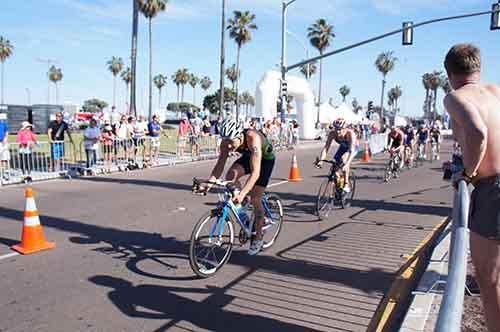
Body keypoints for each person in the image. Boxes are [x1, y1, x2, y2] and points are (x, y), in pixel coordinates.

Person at [443, 43, 500, 332]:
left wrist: (469, 171)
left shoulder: (454, 97)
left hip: (493, 190)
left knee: (489, 284)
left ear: (449, 73)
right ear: (478, 69)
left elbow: (477, 130)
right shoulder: (496, 92)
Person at [195, 118, 276, 255]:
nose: (230, 146)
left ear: (239, 136)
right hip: (248, 157)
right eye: (226, 142)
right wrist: (208, 184)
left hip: (265, 160)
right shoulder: (226, 143)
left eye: (232, 142)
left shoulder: (253, 138)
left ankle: (258, 237)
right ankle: (243, 204)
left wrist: (243, 193)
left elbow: (256, 173)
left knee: (255, 198)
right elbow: (220, 164)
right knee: (230, 176)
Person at [316, 118, 359, 193]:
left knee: (343, 160)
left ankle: (346, 184)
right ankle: (338, 186)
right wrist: (321, 160)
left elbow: (351, 151)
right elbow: (326, 148)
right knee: (334, 168)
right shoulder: (332, 134)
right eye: (336, 128)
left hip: (353, 148)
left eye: (340, 129)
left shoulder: (350, 134)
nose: (337, 131)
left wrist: (347, 164)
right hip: (343, 147)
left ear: (345, 128)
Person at [0, 113, 10, 180]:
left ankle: (5, 173)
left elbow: (6, 132)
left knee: (4, 158)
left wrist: (5, 140)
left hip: (3, 143)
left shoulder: (4, 124)